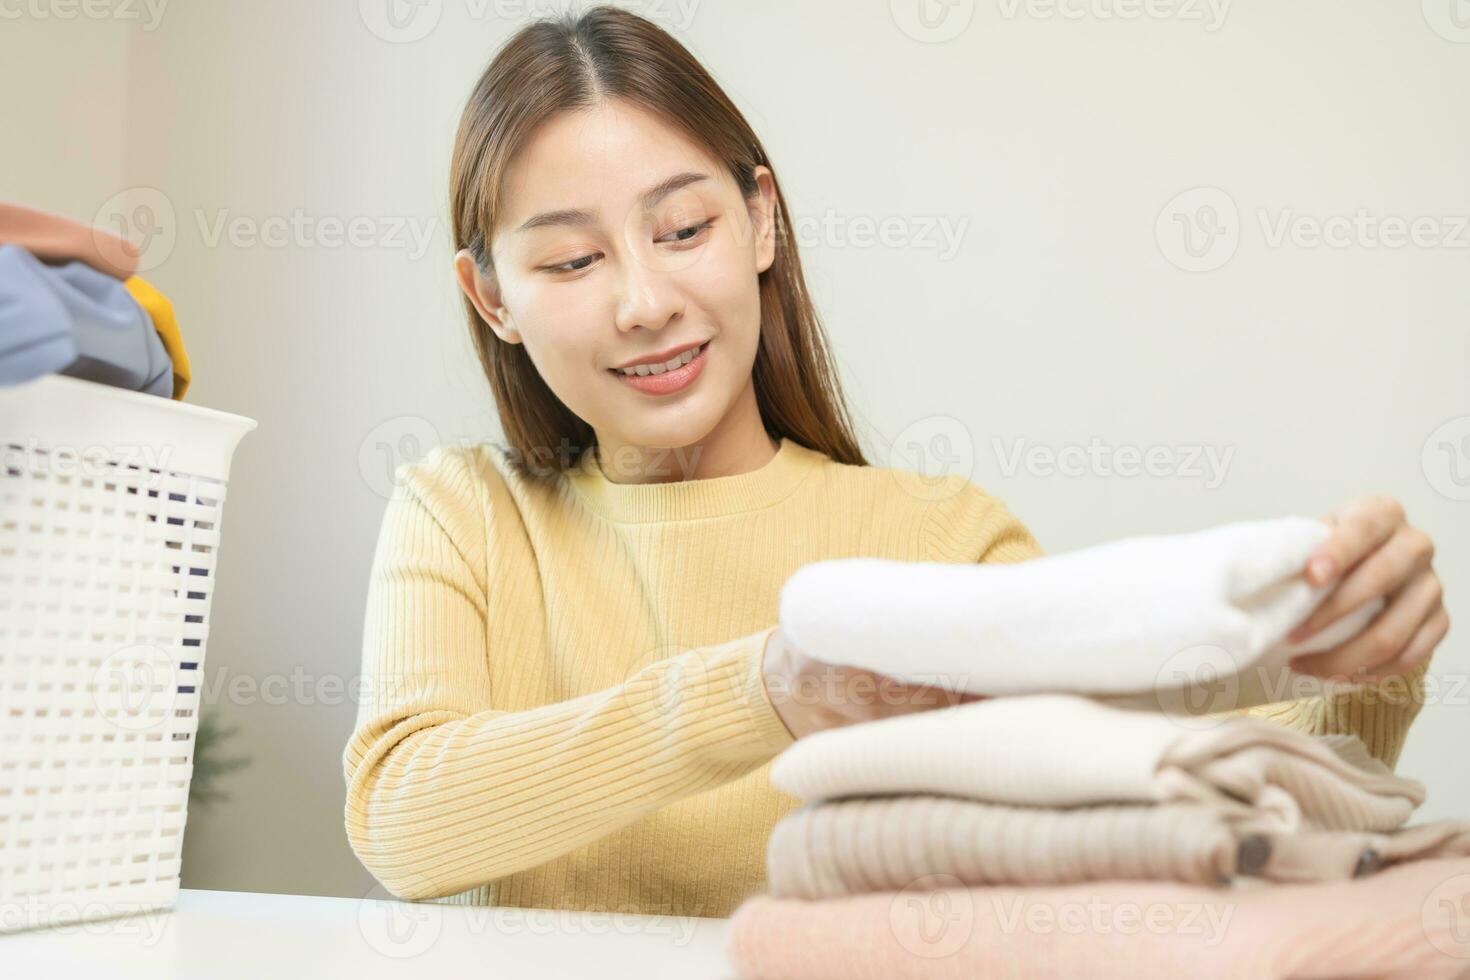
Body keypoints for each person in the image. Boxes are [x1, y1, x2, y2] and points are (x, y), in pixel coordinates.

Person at [342, 5, 1447, 918]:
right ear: (493, 297)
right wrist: (765, 687)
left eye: (684, 231)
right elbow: (401, 818)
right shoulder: (463, 512)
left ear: (760, 220)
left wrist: (1357, 672)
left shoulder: (934, 539)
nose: (645, 302)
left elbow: (1163, 795)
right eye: (574, 258)